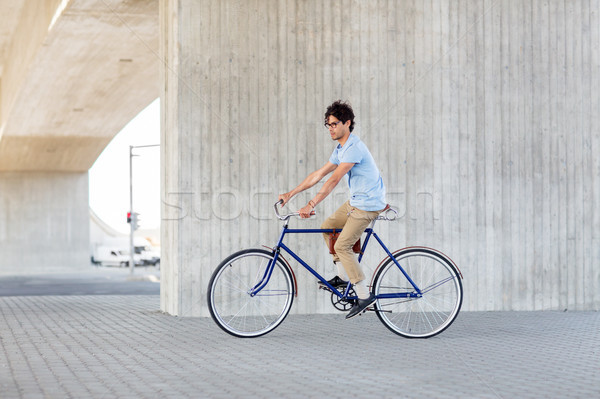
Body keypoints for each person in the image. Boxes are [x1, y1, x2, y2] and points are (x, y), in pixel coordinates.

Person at [278, 100, 387, 319]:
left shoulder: (354, 148)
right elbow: (319, 174)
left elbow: (334, 179)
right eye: (328, 124)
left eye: (335, 124)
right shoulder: (341, 149)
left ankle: (364, 295)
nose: (331, 128)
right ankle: (344, 276)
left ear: (347, 123)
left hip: (368, 204)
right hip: (357, 201)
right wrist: (291, 193)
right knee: (328, 227)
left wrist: (311, 204)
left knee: (343, 245)